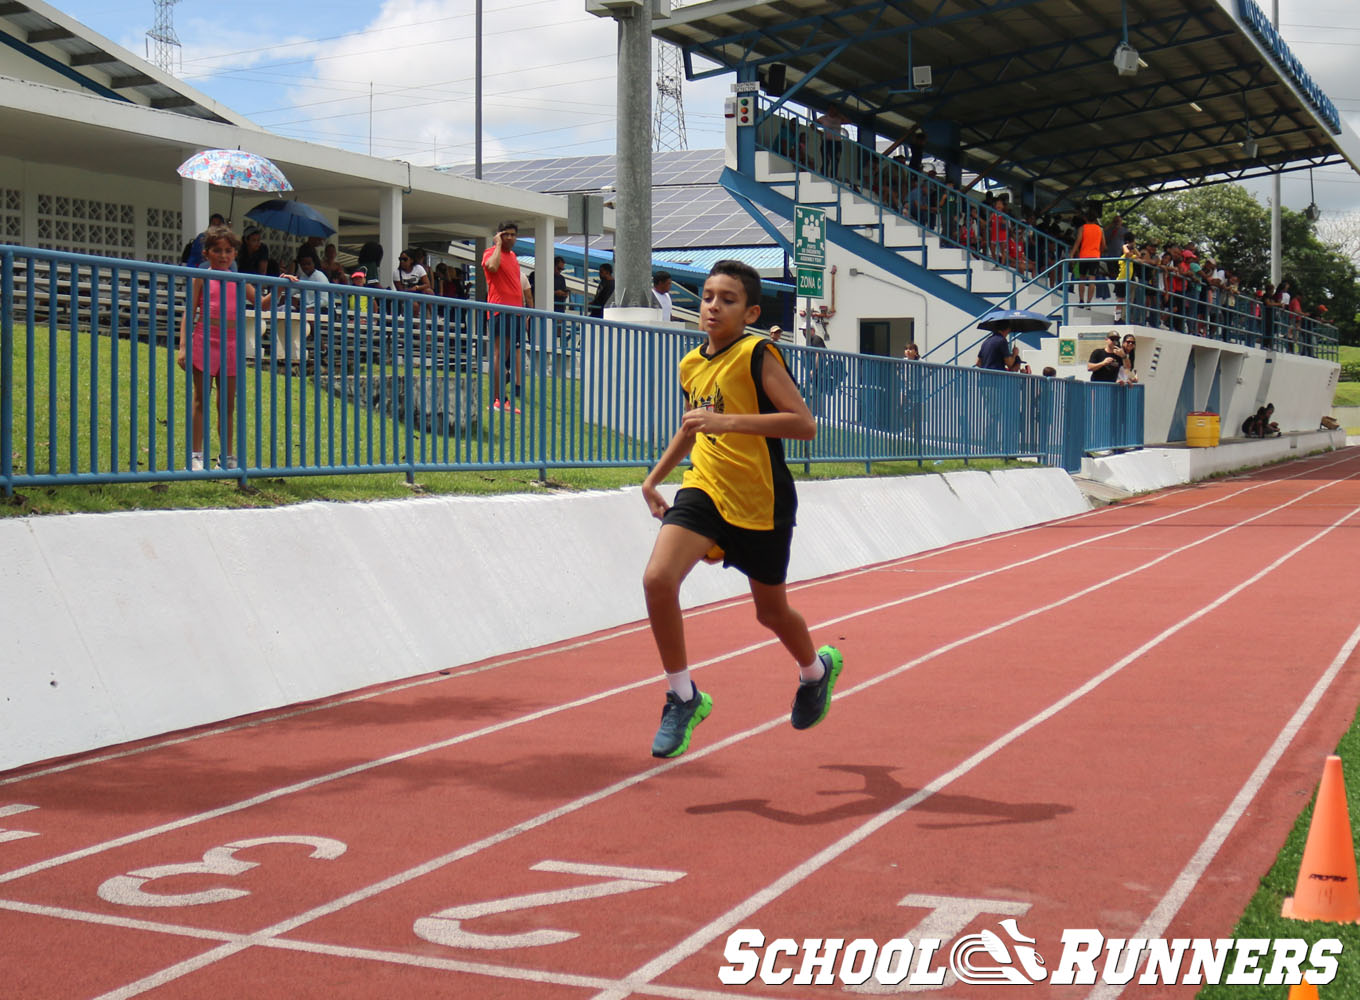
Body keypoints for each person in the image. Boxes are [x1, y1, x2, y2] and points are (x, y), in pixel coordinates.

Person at [639, 259, 840, 758]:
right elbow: (692, 427)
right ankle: (683, 696)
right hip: (704, 488)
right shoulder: (690, 364)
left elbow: (803, 424)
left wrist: (729, 423)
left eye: (727, 299)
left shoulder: (757, 353)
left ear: (750, 311)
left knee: (770, 613)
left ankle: (815, 671)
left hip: (761, 500)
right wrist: (653, 480)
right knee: (658, 580)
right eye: (708, 296)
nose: (713, 306)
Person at [176, 225, 294, 470]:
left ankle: (227, 456)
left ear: (234, 254)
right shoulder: (201, 276)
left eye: (228, 251)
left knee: (227, 404)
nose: (223, 255)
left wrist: (280, 287)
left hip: (231, 343)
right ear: (207, 253)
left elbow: (261, 304)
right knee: (200, 400)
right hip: (204, 338)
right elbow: (190, 311)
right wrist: (184, 347)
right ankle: (195, 455)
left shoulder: (238, 281)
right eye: (217, 250)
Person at [482, 221, 525, 413]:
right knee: (499, 354)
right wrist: (498, 245)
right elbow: (491, 268)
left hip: (516, 312)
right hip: (500, 310)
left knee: (506, 355)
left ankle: (502, 399)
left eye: (513, 235)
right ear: (499, 235)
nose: (510, 238)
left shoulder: (514, 256)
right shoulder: (491, 253)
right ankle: (497, 399)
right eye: (506, 234)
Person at [1070, 213, 1106, 305]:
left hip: (1084, 256)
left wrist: (1071, 254)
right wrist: (1099, 253)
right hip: (1095, 256)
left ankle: (1081, 300)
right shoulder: (1100, 229)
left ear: (1085, 218)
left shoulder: (1082, 228)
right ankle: (1089, 302)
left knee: (1082, 278)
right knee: (1092, 279)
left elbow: (1078, 241)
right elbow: (1104, 245)